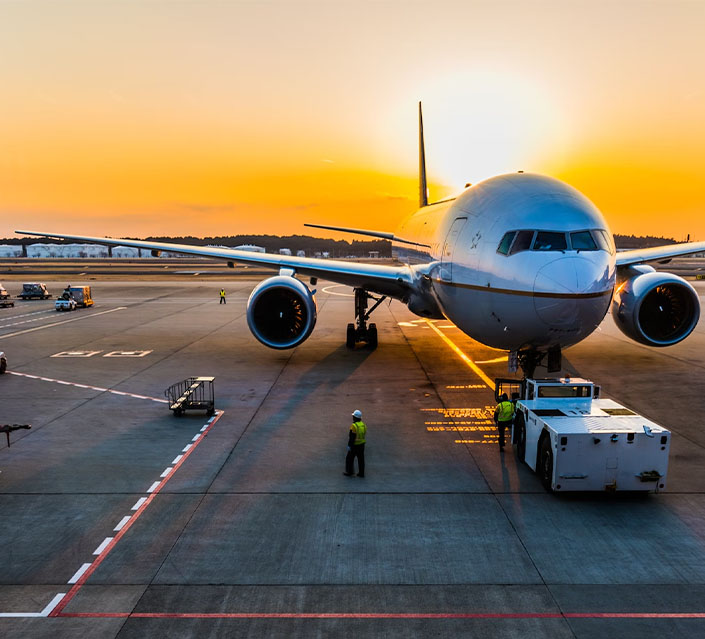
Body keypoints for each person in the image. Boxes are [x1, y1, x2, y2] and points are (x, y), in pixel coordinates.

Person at [344, 409, 366, 477]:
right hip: (362, 445)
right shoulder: (363, 425)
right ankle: (361, 473)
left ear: (355, 418)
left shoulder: (354, 426)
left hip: (354, 445)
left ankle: (350, 472)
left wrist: (349, 445)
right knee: (361, 459)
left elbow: (352, 437)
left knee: (349, 459)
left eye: (353, 416)